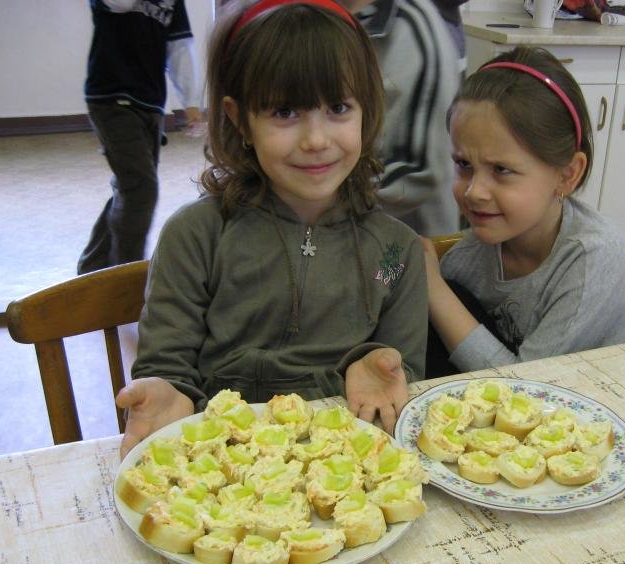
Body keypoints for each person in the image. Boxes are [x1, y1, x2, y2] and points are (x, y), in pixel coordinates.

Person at [116, 0, 428, 456]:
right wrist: (168, 390)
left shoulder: (394, 252)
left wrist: (376, 365)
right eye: (284, 113)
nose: (316, 139)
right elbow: (168, 366)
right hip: (224, 460)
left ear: (368, 109)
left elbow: (405, 371)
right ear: (240, 119)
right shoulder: (195, 237)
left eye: (338, 107)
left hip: (340, 461)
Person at [423, 46, 625, 376]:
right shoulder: (468, 257)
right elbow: (393, 276)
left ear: (567, 175)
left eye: (501, 170)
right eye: (464, 164)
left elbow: (528, 385)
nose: (474, 191)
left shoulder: (594, 257)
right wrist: (396, 264)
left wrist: (433, 288)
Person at [78, 0, 204, 275]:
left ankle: (92, 266)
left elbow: (180, 46)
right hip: (110, 98)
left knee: (131, 186)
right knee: (141, 188)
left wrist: (191, 101)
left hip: (150, 103)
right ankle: (125, 277)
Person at [338, 0, 461, 237]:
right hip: (338, 234)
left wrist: (324, 199)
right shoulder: (318, 14)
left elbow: (421, 170)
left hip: (410, 240)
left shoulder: (414, 26)